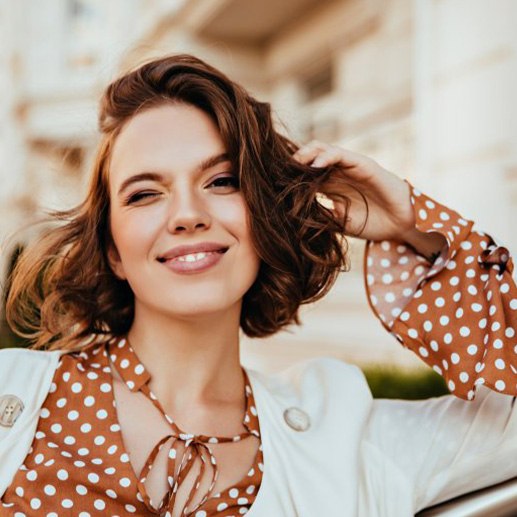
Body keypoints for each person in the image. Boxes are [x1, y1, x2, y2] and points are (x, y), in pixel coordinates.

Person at [0, 54, 515, 516]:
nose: (186, 214)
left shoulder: (345, 434)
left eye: (222, 181)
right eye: (144, 194)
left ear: (264, 217)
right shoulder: (13, 389)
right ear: (113, 250)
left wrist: (415, 226)